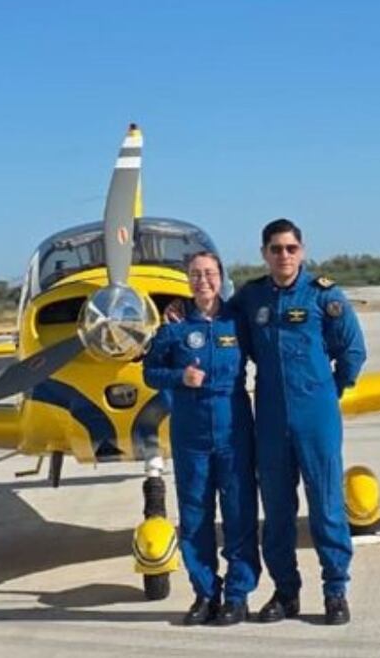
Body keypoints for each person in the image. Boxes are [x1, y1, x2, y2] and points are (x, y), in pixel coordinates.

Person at [232, 218, 367, 625]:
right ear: (264, 254)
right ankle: (286, 592)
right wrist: (176, 310)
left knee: (326, 506)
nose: (283, 256)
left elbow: (352, 352)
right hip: (271, 417)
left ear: (302, 251)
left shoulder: (325, 296)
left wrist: (329, 391)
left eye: (291, 249)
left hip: (317, 415)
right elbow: (218, 320)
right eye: (276, 249)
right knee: (276, 511)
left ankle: (335, 591)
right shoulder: (251, 298)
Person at [142, 251, 261, 626]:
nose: (203, 280)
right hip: (190, 431)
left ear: (221, 277)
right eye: (195, 274)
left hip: (233, 426)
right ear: (187, 280)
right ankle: (205, 593)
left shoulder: (237, 321)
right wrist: (179, 378)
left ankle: (238, 595)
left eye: (209, 273)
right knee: (194, 514)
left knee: (239, 511)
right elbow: (150, 373)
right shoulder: (173, 327)